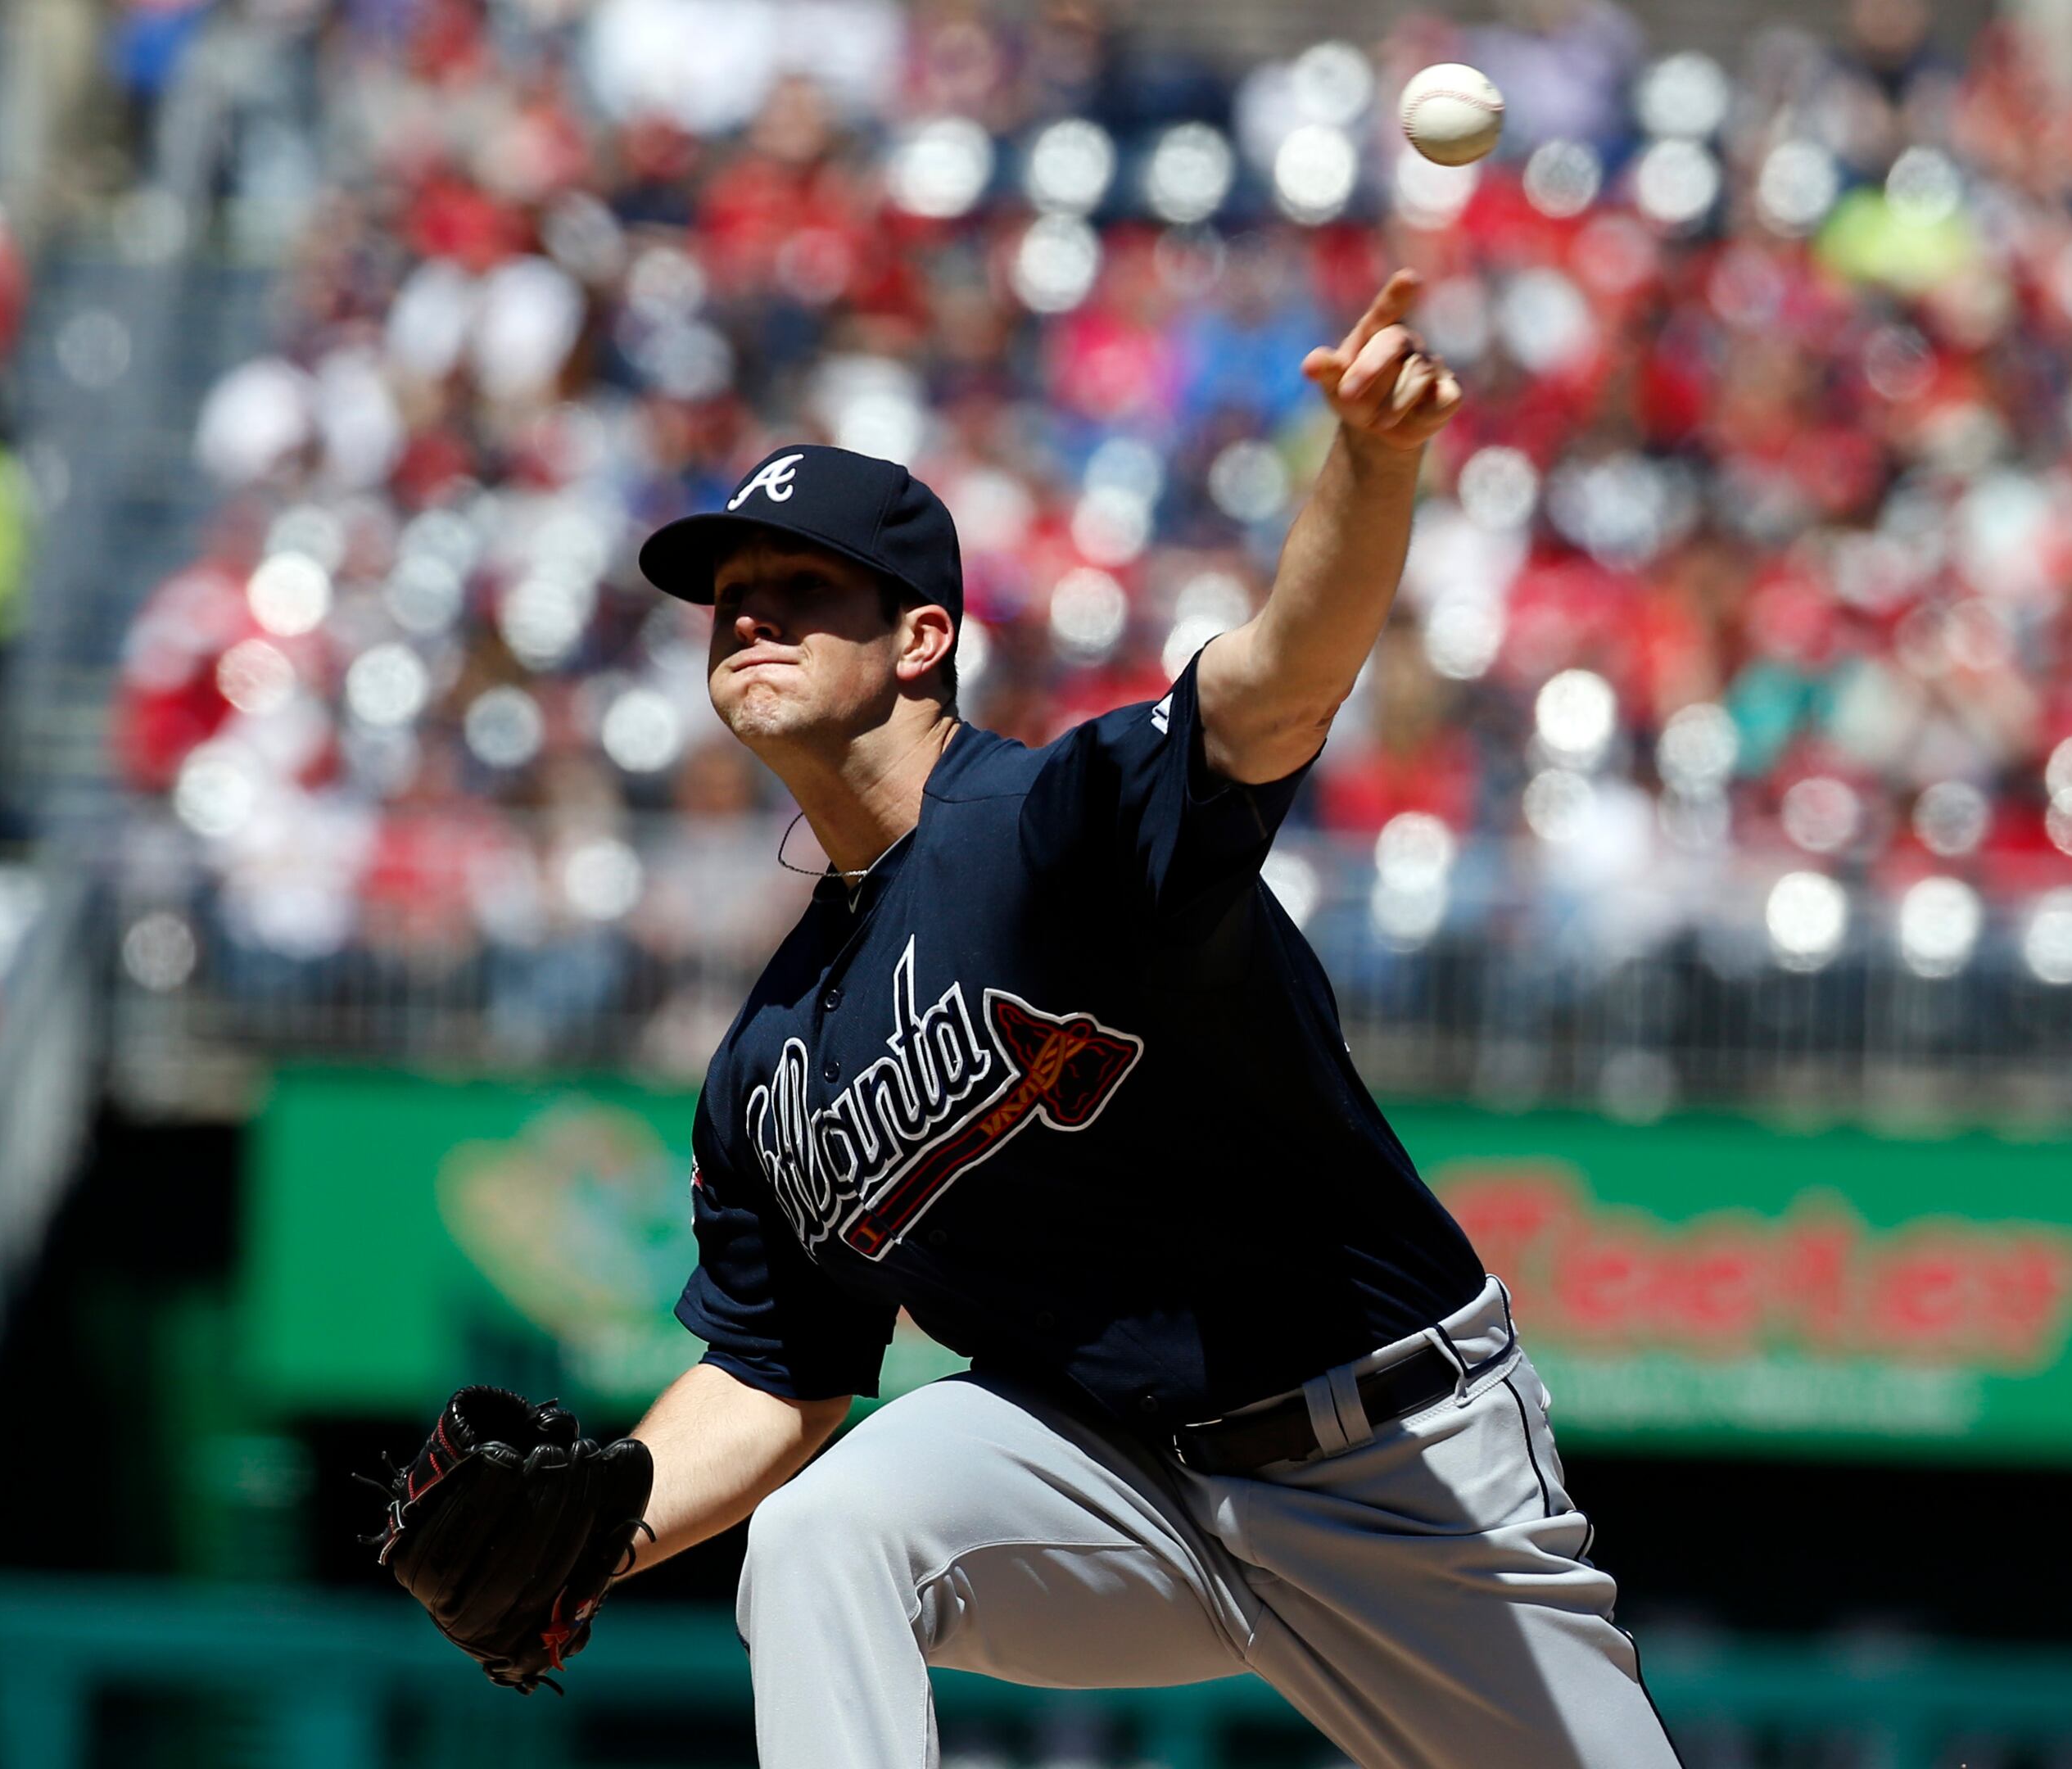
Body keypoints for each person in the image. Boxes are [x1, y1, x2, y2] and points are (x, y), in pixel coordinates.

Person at [596, 271, 1684, 1768]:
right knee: (824, 1531)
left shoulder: (1059, 826)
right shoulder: (769, 1059)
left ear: (920, 639)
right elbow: (780, 1370)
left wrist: (1372, 466)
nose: (747, 613)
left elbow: (1276, 688)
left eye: (802, 587)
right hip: (1109, 1477)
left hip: (1392, 1461)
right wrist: (598, 1523)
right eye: (729, 594)